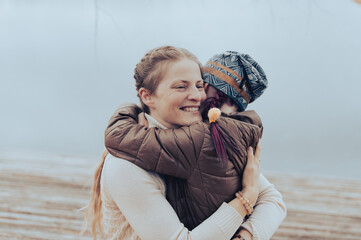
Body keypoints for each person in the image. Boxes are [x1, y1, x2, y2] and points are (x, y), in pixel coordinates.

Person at [84, 46, 286, 240]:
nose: (196, 96)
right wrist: (246, 198)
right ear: (147, 96)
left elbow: (272, 199)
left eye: (199, 86)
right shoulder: (124, 167)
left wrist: (245, 237)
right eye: (180, 87)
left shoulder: (199, 137)